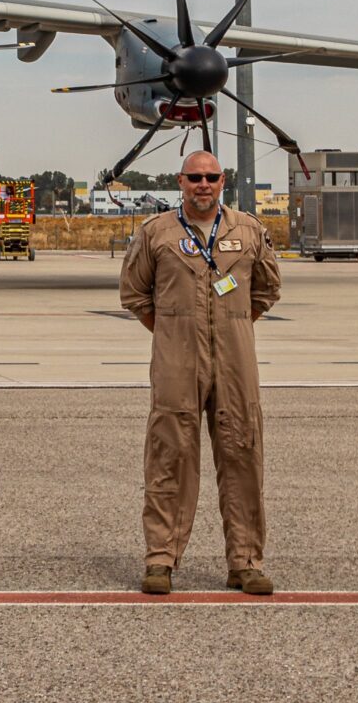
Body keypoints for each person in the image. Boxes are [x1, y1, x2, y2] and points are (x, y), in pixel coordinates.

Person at [120, 148, 281, 595]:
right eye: (195, 178)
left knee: (243, 453)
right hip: (177, 361)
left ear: (223, 181)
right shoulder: (157, 233)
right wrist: (174, 331)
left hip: (235, 362)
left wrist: (232, 327)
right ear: (181, 182)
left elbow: (266, 290)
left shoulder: (248, 230)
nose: (203, 185)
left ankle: (245, 562)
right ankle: (160, 560)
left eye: (211, 177)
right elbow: (135, 294)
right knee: (170, 455)